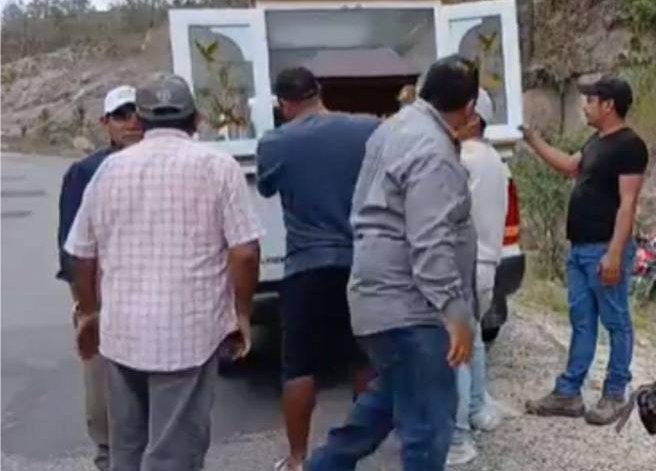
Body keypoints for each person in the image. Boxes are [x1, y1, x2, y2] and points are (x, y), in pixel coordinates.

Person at [64, 74, 262, 470]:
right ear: (197, 120)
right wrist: (241, 312)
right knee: (173, 454)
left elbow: (80, 255)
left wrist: (88, 313)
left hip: (122, 335)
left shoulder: (109, 171)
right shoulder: (218, 167)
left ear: (142, 119)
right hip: (188, 335)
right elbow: (245, 253)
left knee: (128, 448)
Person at [306, 55, 479, 471]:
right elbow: (430, 241)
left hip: (377, 300)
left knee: (381, 408)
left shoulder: (393, 128)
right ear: (470, 107)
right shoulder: (433, 151)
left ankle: (323, 466)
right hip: (412, 309)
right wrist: (455, 313)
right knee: (428, 429)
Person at [256, 67, 380, 471]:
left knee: (299, 367)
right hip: (359, 260)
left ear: (282, 103)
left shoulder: (275, 142)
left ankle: (296, 459)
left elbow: (267, 188)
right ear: (320, 91)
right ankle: (360, 452)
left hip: (305, 267)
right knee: (363, 360)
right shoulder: (366, 129)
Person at [523, 75, 648, 425]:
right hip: (580, 249)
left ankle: (614, 393)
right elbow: (568, 166)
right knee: (581, 322)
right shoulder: (596, 141)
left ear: (608, 105)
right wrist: (532, 139)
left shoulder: (630, 146)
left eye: (590, 100)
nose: (585, 105)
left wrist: (614, 253)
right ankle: (568, 393)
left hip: (604, 249)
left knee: (616, 321)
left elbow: (628, 204)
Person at [56, 85, 143, 471]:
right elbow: (72, 248)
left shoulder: (167, 163)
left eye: (138, 114)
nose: (132, 123)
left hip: (154, 297)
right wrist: (87, 309)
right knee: (105, 400)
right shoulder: (86, 172)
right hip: (104, 301)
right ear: (105, 123)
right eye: (122, 115)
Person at [447, 89, 508, 466]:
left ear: (473, 118)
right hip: (487, 265)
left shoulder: (464, 159)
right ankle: (478, 409)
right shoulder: (492, 158)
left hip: (466, 265)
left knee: (457, 353)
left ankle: (458, 440)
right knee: (474, 343)